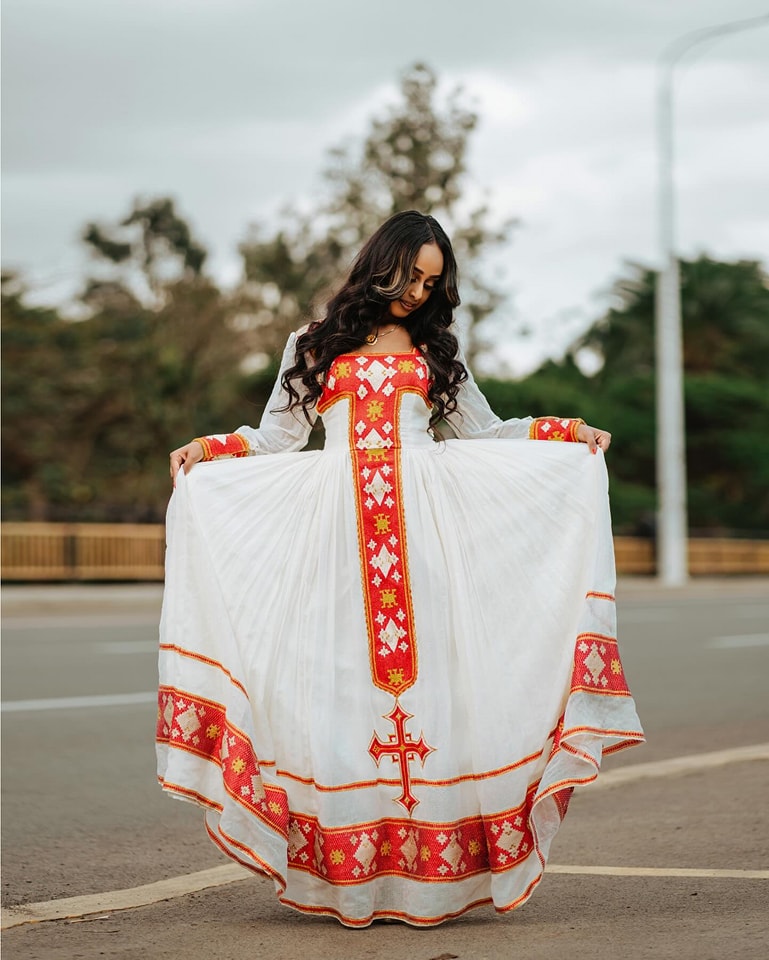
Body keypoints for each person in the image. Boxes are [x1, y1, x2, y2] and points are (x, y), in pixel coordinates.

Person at [157, 210, 643, 928]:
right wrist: (212, 449)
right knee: (336, 683)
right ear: (380, 261)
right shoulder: (314, 345)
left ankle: (428, 872)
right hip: (333, 538)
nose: (419, 291)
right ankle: (345, 871)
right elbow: (277, 438)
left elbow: (484, 431)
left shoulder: (434, 349)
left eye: (431, 281)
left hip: (423, 538)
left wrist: (561, 433)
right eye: (411, 275)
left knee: (434, 688)